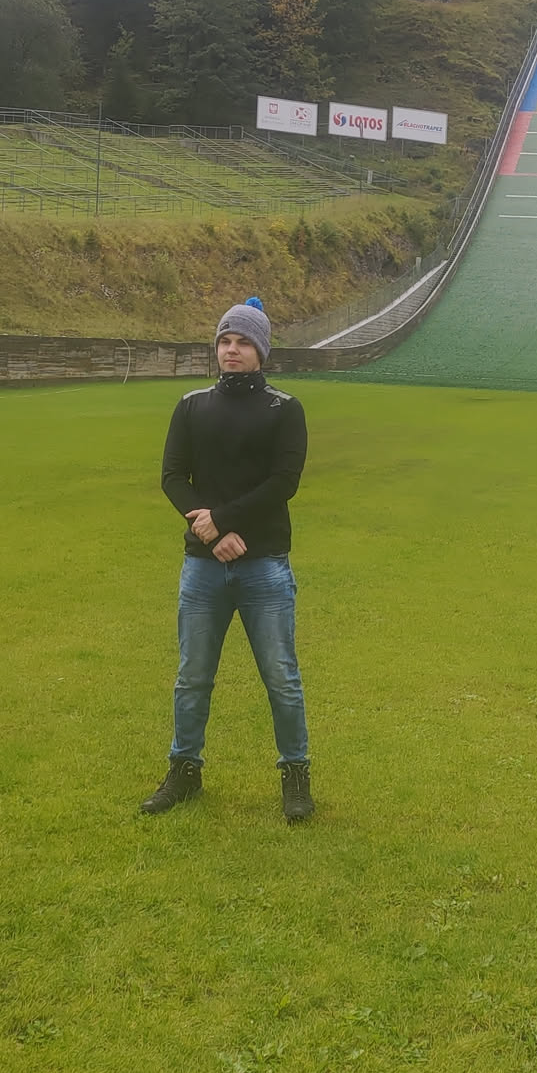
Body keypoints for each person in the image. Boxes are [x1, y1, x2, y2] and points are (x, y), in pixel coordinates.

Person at [141, 298, 314, 822]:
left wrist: (223, 521)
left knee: (281, 678)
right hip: (203, 566)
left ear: (261, 351)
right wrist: (211, 532)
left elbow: (283, 483)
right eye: (224, 340)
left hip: (265, 565)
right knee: (192, 676)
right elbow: (173, 476)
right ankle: (184, 770)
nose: (231, 350)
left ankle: (296, 776)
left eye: (242, 342)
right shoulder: (192, 406)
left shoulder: (284, 409)